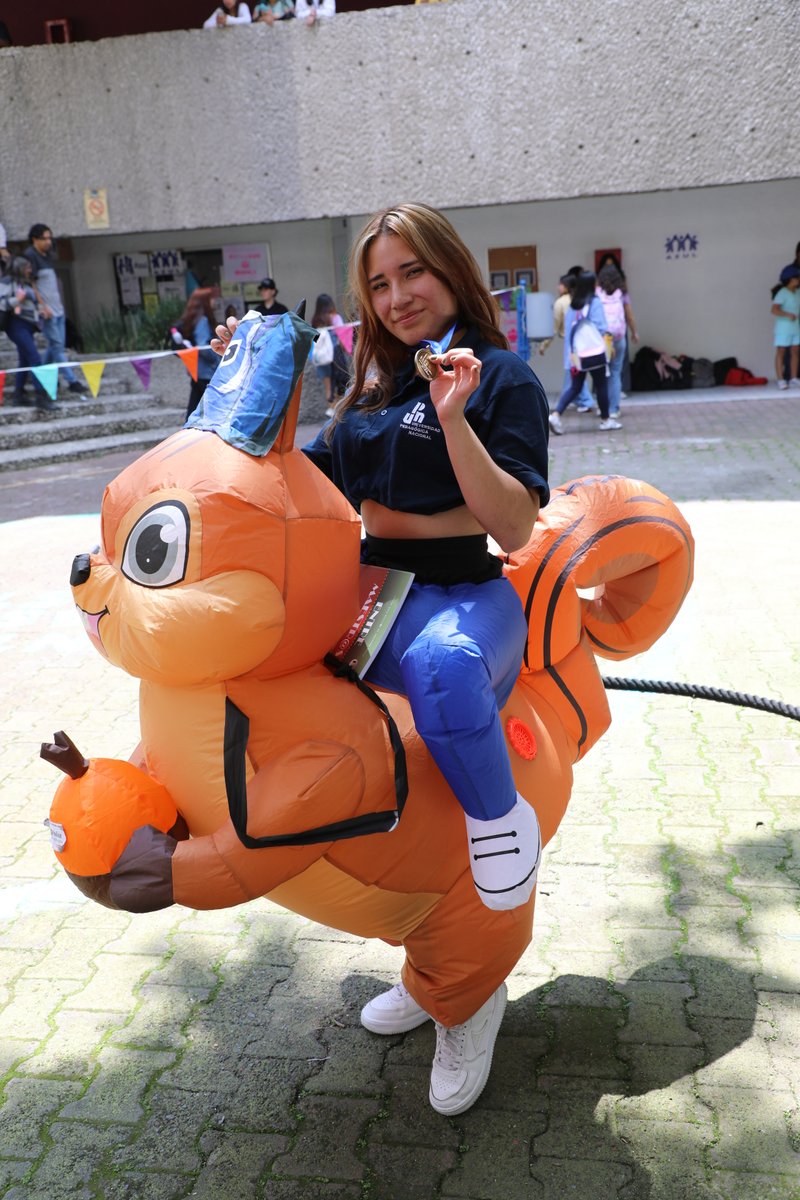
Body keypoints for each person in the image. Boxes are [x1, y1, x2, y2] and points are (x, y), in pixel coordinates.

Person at [212, 201, 550, 1114]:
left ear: (451, 272)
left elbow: (515, 526)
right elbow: (300, 484)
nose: (398, 296)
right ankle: (430, 965)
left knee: (444, 668)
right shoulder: (366, 396)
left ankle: (499, 846)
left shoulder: (501, 377)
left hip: (465, 600)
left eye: (414, 273)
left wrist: (454, 417)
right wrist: (247, 388)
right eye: (380, 283)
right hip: (373, 605)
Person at [548, 270, 621, 434]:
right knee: (601, 385)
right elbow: (601, 327)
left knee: (575, 386)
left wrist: (570, 355)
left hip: (578, 353)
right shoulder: (594, 302)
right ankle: (606, 420)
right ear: (592, 284)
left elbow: (569, 331)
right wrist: (610, 347)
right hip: (595, 352)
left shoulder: (574, 304)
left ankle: (555, 414)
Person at [24, 224, 89, 397]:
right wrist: (41, 306)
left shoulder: (48, 256)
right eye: (44, 238)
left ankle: (42, 375)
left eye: (49, 238)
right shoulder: (31, 256)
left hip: (58, 308)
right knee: (57, 346)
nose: (48, 242)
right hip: (47, 311)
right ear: (35, 239)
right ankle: (72, 381)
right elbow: (31, 284)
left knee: (55, 346)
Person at [0, 256, 56, 411]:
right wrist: (17, 300)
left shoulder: (27, 283)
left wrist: (40, 311)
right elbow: (2, 303)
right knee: (35, 358)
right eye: (27, 268)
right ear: (20, 268)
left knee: (24, 360)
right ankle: (41, 396)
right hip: (16, 325)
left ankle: (19, 394)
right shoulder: (7, 282)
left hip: (29, 324)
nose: (30, 270)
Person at [178, 288, 220, 419]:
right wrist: (216, 358)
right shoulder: (203, 321)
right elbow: (203, 347)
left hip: (197, 372)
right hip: (207, 373)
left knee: (193, 411)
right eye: (212, 298)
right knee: (213, 412)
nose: (214, 301)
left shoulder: (194, 320)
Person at [554, 271, 593, 412]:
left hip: (570, 342)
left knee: (574, 372)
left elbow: (556, 326)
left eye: (560, 284)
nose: (558, 287)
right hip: (582, 341)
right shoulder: (581, 300)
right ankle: (577, 401)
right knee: (574, 372)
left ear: (565, 286)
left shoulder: (561, 302)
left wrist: (545, 344)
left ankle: (585, 401)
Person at [596, 263, 628, 417]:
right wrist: (634, 332)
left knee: (602, 374)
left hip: (603, 338)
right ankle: (614, 409)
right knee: (615, 372)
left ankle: (603, 407)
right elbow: (629, 315)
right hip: (619, 338)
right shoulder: (622, 293)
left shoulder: (597, 294)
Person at [310, 292, 344, 415]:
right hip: (335, 356)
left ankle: (331, 408)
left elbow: (314, 340)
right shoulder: (335, 318)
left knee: (328, 387)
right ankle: (337, 410)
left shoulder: (315, 321)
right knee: (340, 384)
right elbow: (341, 338)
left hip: (321, 358)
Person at [770, 265, 800, 389]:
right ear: (791, 279)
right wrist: (787, 315)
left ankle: (793, 378)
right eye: (797, 277)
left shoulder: (798, 292)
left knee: (795, 351)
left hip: (795, 327)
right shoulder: (782, 293)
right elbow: (774, 310)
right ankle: (780, 380)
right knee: (781, 352)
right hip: (783, 329)